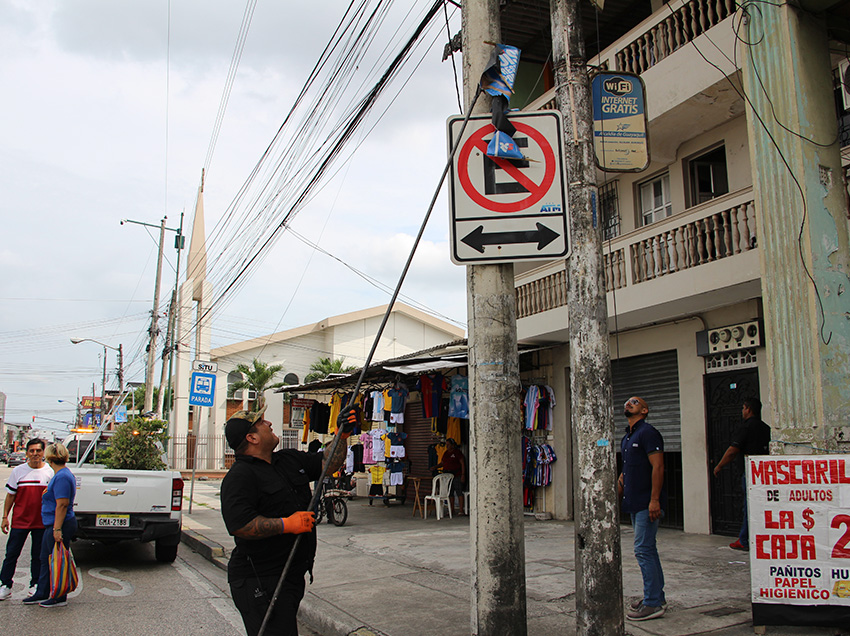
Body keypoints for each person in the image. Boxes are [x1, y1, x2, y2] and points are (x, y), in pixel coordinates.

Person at [220, 404, 355, 636]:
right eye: (261, 422)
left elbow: (328, 463)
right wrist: (286, 524)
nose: (269, 423)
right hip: (259, 579)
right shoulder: (239, 477)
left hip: (290, 575)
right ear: (252, 438)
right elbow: (240, 525)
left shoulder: (287, 459)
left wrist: (341, 434)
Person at [619, 396, 667, 622]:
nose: (629, 403)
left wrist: (654, 500)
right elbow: (626, 470)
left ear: (645, 410)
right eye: (627, 402)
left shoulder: (648, 433)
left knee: (643, 550)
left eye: (635, 402)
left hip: (646, 503)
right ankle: (656, 596)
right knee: (648, 549)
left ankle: (653, 603)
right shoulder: (628, 437)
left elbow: (658, 467)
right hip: (633, 501)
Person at [23, 442, 77, 608]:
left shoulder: (62, 477)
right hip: (53, 523)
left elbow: (62, 504)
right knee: (46, 558)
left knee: (56, 560)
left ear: (50, 458)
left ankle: (58, 596)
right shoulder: (60, 474)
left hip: (59, 523)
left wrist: (57, 528)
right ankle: (43, 591)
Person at [713, 397, 770, 551]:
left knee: (748, 507)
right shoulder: (766, 428)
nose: (742, 411)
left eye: (743, 408)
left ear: (748, 409)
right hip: (764, 473)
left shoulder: (746, 427)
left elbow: (732, 451)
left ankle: (744, 539)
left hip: (750, 473)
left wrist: (719, 466)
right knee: (761, 506)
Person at [0, 439, 54, 601]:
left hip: (42, 522)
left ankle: (35, 584)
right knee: (11, 554)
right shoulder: (18, 471)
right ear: (27, 453)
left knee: (38, 555)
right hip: (20, 521)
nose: (35, 454)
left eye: (38, 451)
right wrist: (5, 517)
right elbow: (11, 496)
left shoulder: (50, 472)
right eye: (32, 451)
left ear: (43, 452)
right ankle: (5, 585)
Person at [429, 438, 466, 515]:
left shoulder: (457, 453)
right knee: (450, 493)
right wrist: (435, 467)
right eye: (446, 445)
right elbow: (442, 463)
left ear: (453, 445)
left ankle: (461, 510)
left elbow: (462, 463)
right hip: (447, 476)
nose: (447, 446)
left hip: (456, 475)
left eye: (448, 445)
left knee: (459, 492)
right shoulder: (446, 453)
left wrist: (463, 475)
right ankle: (451, 510)